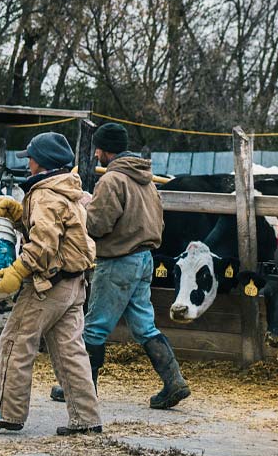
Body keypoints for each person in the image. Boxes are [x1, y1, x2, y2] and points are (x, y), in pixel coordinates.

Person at [51, 122, 189, 409]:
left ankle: (81, 389)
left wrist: (84, 207)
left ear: (106, 149)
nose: (96, 154)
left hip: (117, 262)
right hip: (144, 259)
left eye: (98, 149)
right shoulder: (146, 179)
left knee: (95, 327)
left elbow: (98, 225)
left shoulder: (112, 180)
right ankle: (174, 381)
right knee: (144, 326)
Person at [0, 131, 102, 435]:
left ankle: (8, 413)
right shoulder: (66, 190)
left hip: (48, 285)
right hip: (74, 285)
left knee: (14, 342)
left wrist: (17, 271)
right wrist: (19, 214)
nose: (27, 163)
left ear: (42, 162)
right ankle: (87, 419)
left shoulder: (44, 195)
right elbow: (53, 229)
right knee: (71, 353)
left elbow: (44, 244)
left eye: (30, 158)